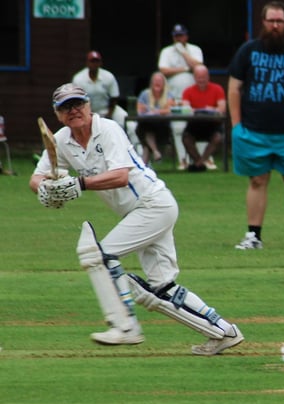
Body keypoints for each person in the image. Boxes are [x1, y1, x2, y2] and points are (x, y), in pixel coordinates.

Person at [29, 84, 244, 356]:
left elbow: (120, 176)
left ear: (88, 106)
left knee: (101, 256)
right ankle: (223, 332)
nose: (73, 111)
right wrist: (46, 189)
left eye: (78, 104)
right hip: (138, 213)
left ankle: (126, 327)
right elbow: (35, 179)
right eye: (66, 107)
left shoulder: (107, 130)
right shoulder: (60, 139)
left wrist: (78, 185)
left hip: (152, 204)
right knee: (162, 287)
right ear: (58, 114)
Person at [228, 1, 284, 251]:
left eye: (280, 21)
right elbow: (234, 87)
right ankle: (253, 237)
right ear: (263, 22)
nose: (275, 26)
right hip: (253, 132)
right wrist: (236, 125)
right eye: (271, 21)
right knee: (257, 181)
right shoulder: (248, 51)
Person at [158, 24, 204, 169]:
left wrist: (183, 52)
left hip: (193, 97)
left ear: (186, 36)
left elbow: (198, 67)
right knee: (178, 127)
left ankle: (199, 159)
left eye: (181, 35)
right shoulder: (166, 51)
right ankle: (182, 160)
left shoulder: (194, 49)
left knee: (197, 125)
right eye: (176, 36)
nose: (178, 38)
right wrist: (185, 68)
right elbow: (163, 70)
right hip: (175, 97)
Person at [181, 64, 226, 171]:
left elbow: (222, 108)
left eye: (203, 77)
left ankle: (200, 162)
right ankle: (199, 162)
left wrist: (211, 109)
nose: (201, 80)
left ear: (208, 77)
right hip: (195, 124)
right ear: (194, 78)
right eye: (199, 77)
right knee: (186, 138)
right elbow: (185, 108)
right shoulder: (188, 91)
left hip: (212, 124)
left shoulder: (217, 89)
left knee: (218, 138)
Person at [71, 50, 128, 128]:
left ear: (100, 63)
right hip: (87, 111)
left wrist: (109, 114)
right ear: (87, 63)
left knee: (124, 118)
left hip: (107, 109)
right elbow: (76, 100)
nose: (94, 64)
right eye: (92, 61)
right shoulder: (78, 79)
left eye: (97, 61)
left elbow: (114, 97)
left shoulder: (108, 76)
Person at [135, 71, 175, 164]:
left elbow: (169, 110)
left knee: (147, 135)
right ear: (151, 83)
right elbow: (139, 110)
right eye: (155, 81)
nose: (157, 83)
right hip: (146, 125)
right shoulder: (145, 94)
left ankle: (144, 165)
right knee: (145, 128)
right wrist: (158, 111)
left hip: (162, 127)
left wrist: (152, 110)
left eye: (160, 81)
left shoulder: (169, 95)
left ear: (164, 83)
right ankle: (155, 152)